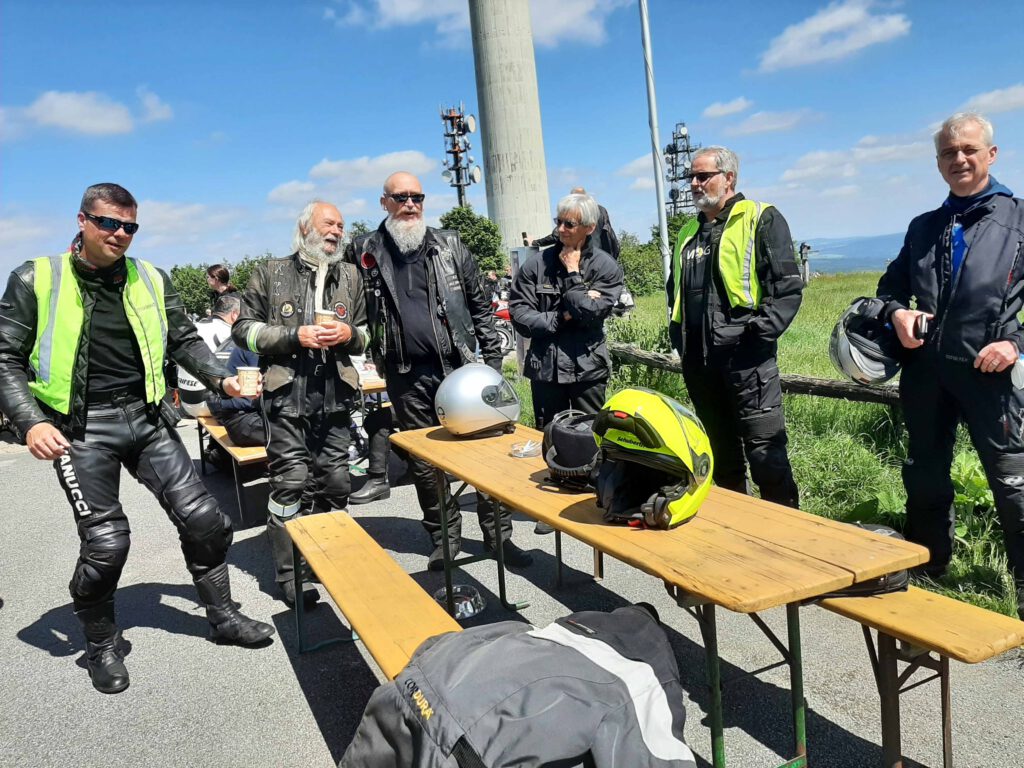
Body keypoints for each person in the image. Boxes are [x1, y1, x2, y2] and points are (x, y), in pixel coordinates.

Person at [0, 183, 274, 694]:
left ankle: (223, 616)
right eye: (108, 223)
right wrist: (30, 421)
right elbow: (5, 356)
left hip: (147, 418)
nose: (120, 234)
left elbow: (183, 339)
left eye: (130, 226)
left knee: (206, 521)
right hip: (79, 428)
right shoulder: (35, 277)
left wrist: (222, 378)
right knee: (107, 544)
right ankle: (100, 644)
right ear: (83, 220)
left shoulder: (150, 276)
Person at [876, 112, 1024, 619]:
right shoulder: (924, 226)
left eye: (968, 150)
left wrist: (1016, 343)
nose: (958, 159)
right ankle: (930, 563)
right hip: (926, 375)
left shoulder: (1018, 219)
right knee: (925, 472)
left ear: (991, 154)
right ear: (938, 161)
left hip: (991, 375)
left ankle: (1022, 585)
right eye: (947, 153)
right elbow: (889, 289)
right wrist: (897, 314)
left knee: (1011, 479)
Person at [346, 171, 533, 570]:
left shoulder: (449, 244)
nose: (410, 204)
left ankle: (499, 537)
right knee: (425, 462)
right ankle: (444, 538)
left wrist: (493, 366)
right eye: (400, 197)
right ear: (384, 202)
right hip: (405, 373)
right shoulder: (365, 251)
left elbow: (480, 306)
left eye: (417, 196)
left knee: (485, 452)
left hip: (462, 369)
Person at [339, 604, 696, 768]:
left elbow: (440, 643)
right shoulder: (641, 679)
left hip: (401, 699)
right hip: (464, 753)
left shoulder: (535, 633)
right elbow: (656, 758)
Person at [234, 200, 368, 608]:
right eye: (329, 224)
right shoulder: (269, 273)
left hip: (335, 399)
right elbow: (243, 331)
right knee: (290, 485)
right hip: (286, 400)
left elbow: (369, 333)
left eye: (341, 226)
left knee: (336, 483)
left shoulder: (351, 276)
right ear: (305, 227)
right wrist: (295, 337)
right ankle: (292, 575)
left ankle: (330, 558)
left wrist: (349, 335)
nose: (337, 232)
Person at [667, 145, 803, 508]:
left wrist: (756, 336)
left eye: (702, 176)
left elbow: (787, 289)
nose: (694, 184)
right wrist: (678, 339)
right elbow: (674, 294)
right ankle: (735, 540)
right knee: (720, 456)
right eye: (690, 177)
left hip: (748, 365)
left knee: (765, 455)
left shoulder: (761, 218)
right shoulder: (687, 234)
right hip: (700, 365)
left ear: (728, 178)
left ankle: (787, 539)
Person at [510, 192, 623, 536]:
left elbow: (593, 314)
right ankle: (551, 506)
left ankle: (594, 495)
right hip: (546, 365)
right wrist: (560, 318)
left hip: (588, 365)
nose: (560, 229)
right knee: (550, 432)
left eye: (568, 224)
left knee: (593, 432)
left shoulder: (604, 266)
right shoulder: (536, 264)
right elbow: (519, 312)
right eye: (557, 222)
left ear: (588, 227)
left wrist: (574, 275)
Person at [532, 186, 620, 260]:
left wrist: (536, 242)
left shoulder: (573, 211)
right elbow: (608, 233)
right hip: (600, 256)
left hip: (581, 255)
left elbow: (556, 235)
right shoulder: (601, 210)